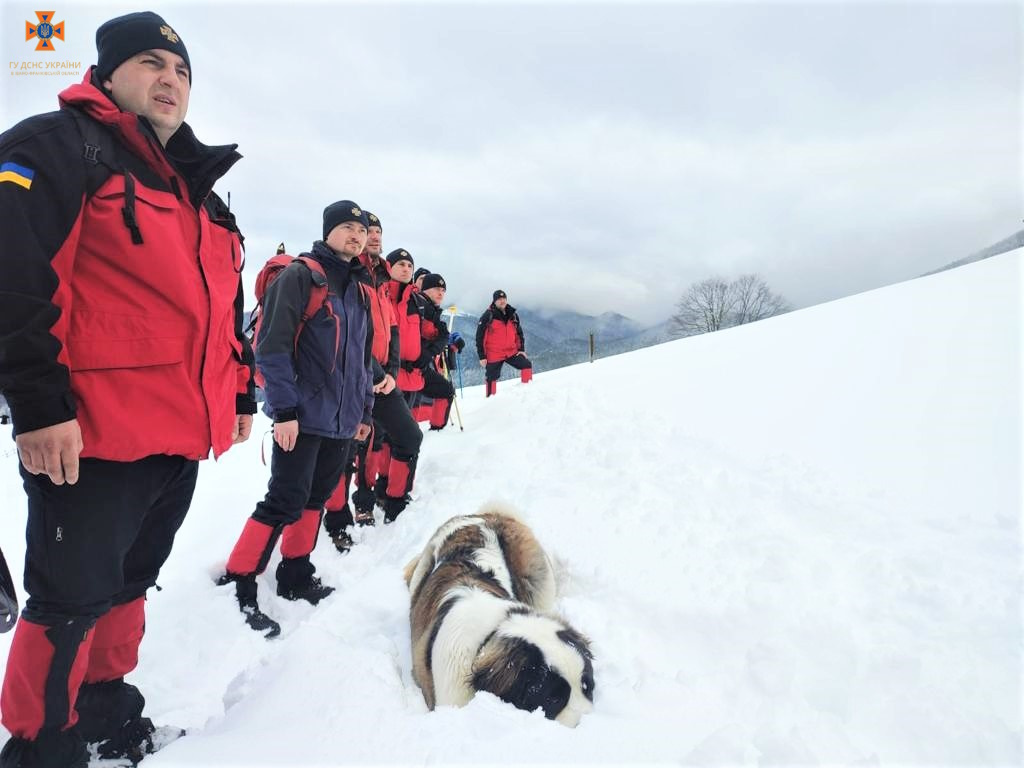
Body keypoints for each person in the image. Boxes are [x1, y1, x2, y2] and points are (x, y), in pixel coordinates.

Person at [0, 12, 255, 767]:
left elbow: (222, 312)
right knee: (68, 603)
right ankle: (42, 747)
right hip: (90, 437)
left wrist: (239, 396)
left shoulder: (196, 194)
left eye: (181, 72)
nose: (170, 80)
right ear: (108, 73)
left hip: (177, 436)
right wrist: (40, 407)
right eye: (151, 64)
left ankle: (108, 715)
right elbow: (15, 283)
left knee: (127, 588)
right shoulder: (57, 149)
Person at [218, 201, 375, 636]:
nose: (355, 236)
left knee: (316, 497)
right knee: (285, 498)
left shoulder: (360, 290)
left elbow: (362, 358)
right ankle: (239, 579)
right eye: (346, 227)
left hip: (341, 419)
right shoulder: (302, 276)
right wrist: (284, 411)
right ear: (328, 231)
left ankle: (295, 573)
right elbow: (271, 347)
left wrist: (364, 411)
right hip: (301, 416)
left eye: (360, 230)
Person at [321, 213, 422, 548]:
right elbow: (347, 331)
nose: (373, 236)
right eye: (366, 231)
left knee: (407, 436)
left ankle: (393, 500)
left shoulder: (380, 277)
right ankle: (339, 517)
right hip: (351, 376)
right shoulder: (351, 272)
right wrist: (377, 374)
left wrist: (390, 373)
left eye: (376, 231)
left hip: (381, 377)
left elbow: (390, 329)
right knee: (349, 449)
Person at [380, 248, 427, 522]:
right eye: (400, 264)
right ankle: (382, 486)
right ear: (389, 267)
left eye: (410, 264)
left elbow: (427, 333)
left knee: (405, 435)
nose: (406, 268)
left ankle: (396, 492)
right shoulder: (380, 293)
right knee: (381, 438)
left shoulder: (416, 301)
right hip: (382, 376)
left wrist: (427, 353)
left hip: (411, 378)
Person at [416, 274, 457, 430]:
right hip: (410, 364)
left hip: (421, 365)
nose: (441, 293)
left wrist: (434, 348)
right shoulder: (418, 306)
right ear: (425, 289)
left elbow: (443, 335)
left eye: (443, 290)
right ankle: (436, 428)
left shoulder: (433, 310)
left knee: (445, 390)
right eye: (437, 289)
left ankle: (436, 429)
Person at [476, 290, 532, 397]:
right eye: (499, 299)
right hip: (494, 354)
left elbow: (519, 334)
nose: (502, 301)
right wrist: (482, 356)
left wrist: (521, 350)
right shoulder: (488, 315)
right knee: (491, 377)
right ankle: (490, 400)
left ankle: (527, 392)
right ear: (494, 301)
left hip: (511, 351)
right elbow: (480, 337)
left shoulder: (513, 315)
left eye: (504, 299)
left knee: (526, 365)